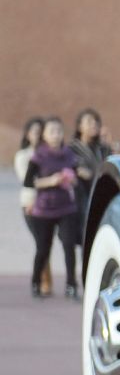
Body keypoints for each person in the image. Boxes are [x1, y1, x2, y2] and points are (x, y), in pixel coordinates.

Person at [23, 117, 84, 299]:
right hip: (44, 209)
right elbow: (28, 182)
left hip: (66, 207)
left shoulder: (69, 154)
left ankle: (71, 284)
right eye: (52, 131)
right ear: (44, 135)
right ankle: (36, 281)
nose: (56, 135)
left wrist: (72, 180)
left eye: (59, 131)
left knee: (68, 246)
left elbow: (78, 178)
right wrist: (51, 181)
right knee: (43, 247)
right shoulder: (38, 156)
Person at [14, 117, 53, 295]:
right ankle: (40, 281)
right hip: (30, 203)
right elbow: (27, 181)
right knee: (41, 243)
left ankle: (46, 281)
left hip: (50, 203)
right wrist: (52, 180)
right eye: (34, 132)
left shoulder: (49, 154)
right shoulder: (23, 156)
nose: (38, 135)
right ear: (28, 135)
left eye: (40, 132)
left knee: (46, 243)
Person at [70, 107, 112, 243]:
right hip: (81, 198)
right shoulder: (72, 149)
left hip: (101, 196)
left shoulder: (104, 148)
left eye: (96, 122)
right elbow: (73, 170)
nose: (94, 124)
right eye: (89, 121)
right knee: (85, 236)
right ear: (79, 126)